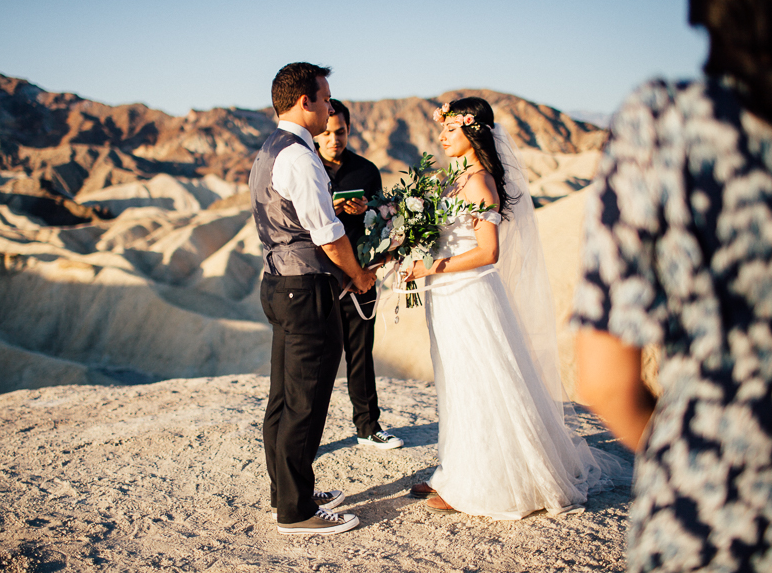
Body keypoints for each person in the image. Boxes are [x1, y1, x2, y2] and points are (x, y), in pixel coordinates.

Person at [572, 0, 772, 573]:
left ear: (705, 3)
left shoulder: (663, 123)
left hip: (708, 515)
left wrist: (693, 457)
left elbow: (603, 378)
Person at [401, 97, 621, 517]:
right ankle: (457, 470)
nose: (443, 137)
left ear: (472, 132)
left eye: (450, 130)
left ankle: (484, 482)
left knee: (479, 383)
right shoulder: (455, 179)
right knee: (456, 383)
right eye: (442, 130)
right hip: (447, 295)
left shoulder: (480, 182)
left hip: (470, 295)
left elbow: (488, 251)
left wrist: (433, 265)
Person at [249, 62, 376, 536]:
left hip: (278, 283)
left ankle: (286, 490)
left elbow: (294, 217)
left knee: (283, 397)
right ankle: (297, 511)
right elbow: (326, 235)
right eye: (325, 99)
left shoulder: (270, 149)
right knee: (306, 401)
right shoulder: (301, 156)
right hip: (306, 289)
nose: (329, 107)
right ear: (305, 101)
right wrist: (359, 274)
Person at [314, 98, 404, 451]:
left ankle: (368, 427)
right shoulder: (309, 170)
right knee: (317, 361)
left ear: (349, 130)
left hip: (361, 277)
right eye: (326, 133)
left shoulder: (366, 171)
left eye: (341, 132)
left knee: (361, 355)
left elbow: (383, 226)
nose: (334, 139)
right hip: (319, 278)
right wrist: (330, 208)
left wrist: (368, 267)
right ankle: (307, 439)